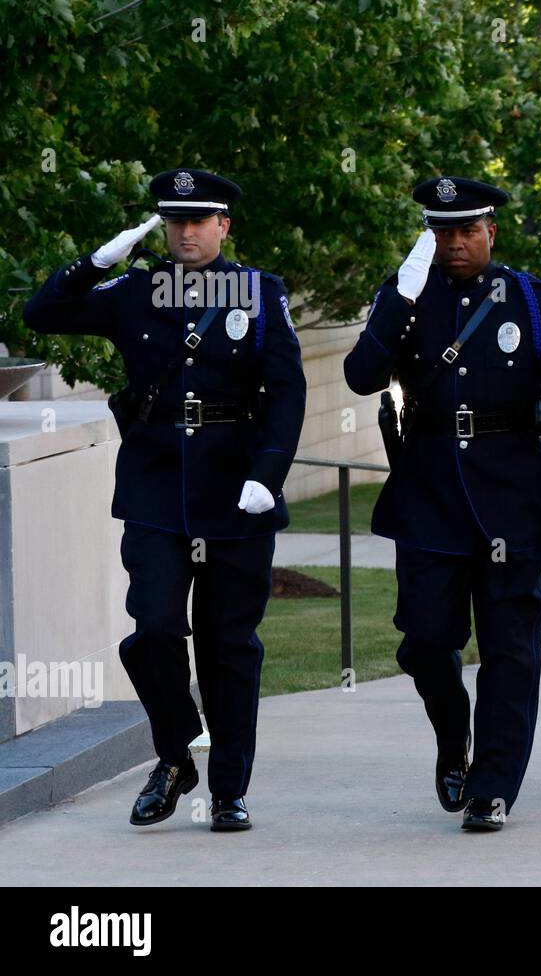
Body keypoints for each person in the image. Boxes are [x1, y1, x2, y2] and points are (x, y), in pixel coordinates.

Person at [24, 168, 307, 832]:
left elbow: (288, 390)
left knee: (228, 644)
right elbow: (42, 314)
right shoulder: (135, 289)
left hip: (237, 489)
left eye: (199, 219)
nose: (185, 230)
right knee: (152, 628)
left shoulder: (260, 293)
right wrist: (93, 263)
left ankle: (230, 788)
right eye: (174, 220)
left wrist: (269, 472)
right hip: (155, 484)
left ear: (222, 226)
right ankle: (177, 755)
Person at [344, 176, 541, 832]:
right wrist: (399, 299)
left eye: (465, 231)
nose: (453, 243)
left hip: (515, 495)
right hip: (428, 494)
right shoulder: (405, 294)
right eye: (441, 231)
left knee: (511, 651)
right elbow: (361, 376)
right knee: (425, 644)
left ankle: (493, 787)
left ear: (491, 232)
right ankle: (453, 732)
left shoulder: (532, 302)